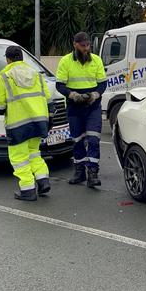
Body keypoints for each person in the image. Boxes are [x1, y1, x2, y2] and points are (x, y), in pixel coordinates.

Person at [0, 45, 55, 201]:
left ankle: (28, 190)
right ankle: (43, 180)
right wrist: (50, 118)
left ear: (7, 59)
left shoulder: (4, 77)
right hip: (38, 122)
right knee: (34, 153)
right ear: (22, 57)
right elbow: (49, 99)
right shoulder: (37, 75)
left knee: (19, 159)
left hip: (17, 125)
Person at [55, 32, 107, 188]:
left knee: (93, 139)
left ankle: (93, 173)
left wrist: (95, 94)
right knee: (77, 140)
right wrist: (72, 95)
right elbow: (60, 85)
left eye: (88, 45)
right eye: (83, 46)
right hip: (74, 107)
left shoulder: (96, 60)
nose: (86, 48)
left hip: (92, 107)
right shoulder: (65, 61)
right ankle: (79, 172)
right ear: (75, 44)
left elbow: (102, 84)